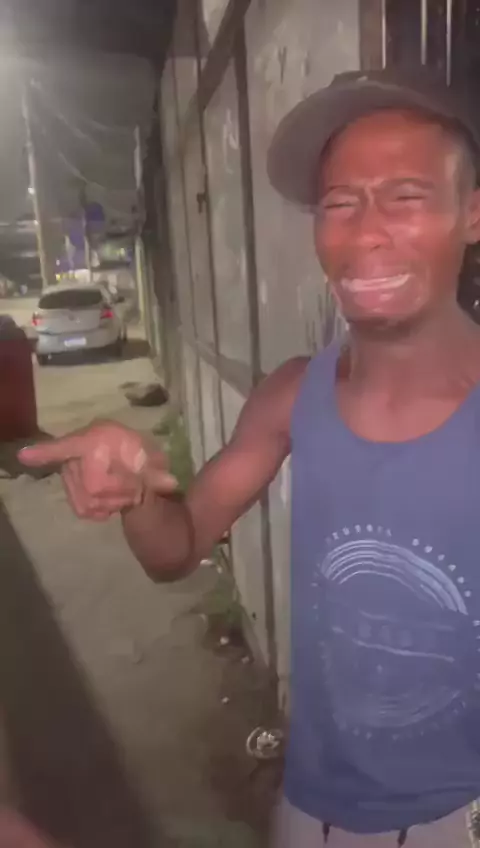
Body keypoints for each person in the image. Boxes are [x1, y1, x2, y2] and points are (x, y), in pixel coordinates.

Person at [18, 66, 480, 845]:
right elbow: (177, 549)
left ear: (471, 215)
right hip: (306, 808)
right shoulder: (291, 395)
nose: (365, 233)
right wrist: (138, 493)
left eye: (406, 197)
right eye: (340, 204)